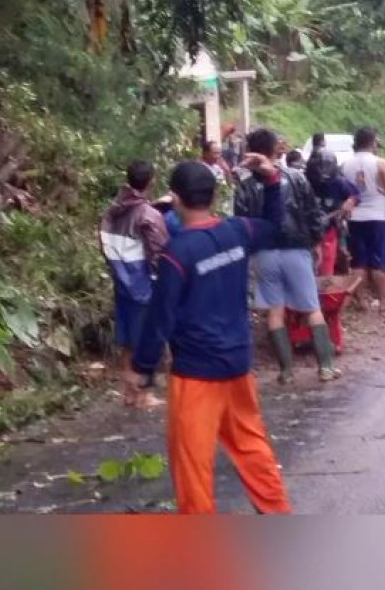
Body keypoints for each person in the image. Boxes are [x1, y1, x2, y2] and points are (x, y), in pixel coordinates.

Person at [126, 156, 291, 515]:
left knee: (193, 467)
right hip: (237, 365)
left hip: (197, 375)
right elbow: (276, 227)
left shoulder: (178, 253)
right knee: (252, 448)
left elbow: (160, 318)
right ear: (214, 195)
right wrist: (273, 182)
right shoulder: (238, 231)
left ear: (175, 198)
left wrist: (142, 370)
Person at [235, 127, 340, 384]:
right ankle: (325, 367)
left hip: (264, 253)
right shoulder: (296, 178)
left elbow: (241, 220)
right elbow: (312, 213)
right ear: (275, 149)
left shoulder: (245, 185)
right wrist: (315, 241)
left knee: (275, 311)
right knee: (311, 308)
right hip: (296, 248)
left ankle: (286, 371)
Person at [99, 160, 169, 408]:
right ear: (151, 181)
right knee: (145, 340)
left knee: (128, 339)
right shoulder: (148, 215)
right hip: (143, 283)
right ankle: (142, 394)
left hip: (121, 280)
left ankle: (128, 392)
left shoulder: (113, 210)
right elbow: (159, 250)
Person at [343, 127, 385, 313]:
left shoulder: (345, 164)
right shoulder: (380, 163)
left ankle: (363, 302)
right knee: (379, 262)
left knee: (358, 262)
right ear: (373, 141)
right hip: (378, 218)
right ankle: (383, 302)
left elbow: (343, 193)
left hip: (354, 218)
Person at [306, 149, 360, 277]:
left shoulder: (339, 183)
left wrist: (350, 201)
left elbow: (356, 194)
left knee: (326, 266)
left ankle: (325, 292)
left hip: (329, 230)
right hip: (306, 232)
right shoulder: (304, 181)